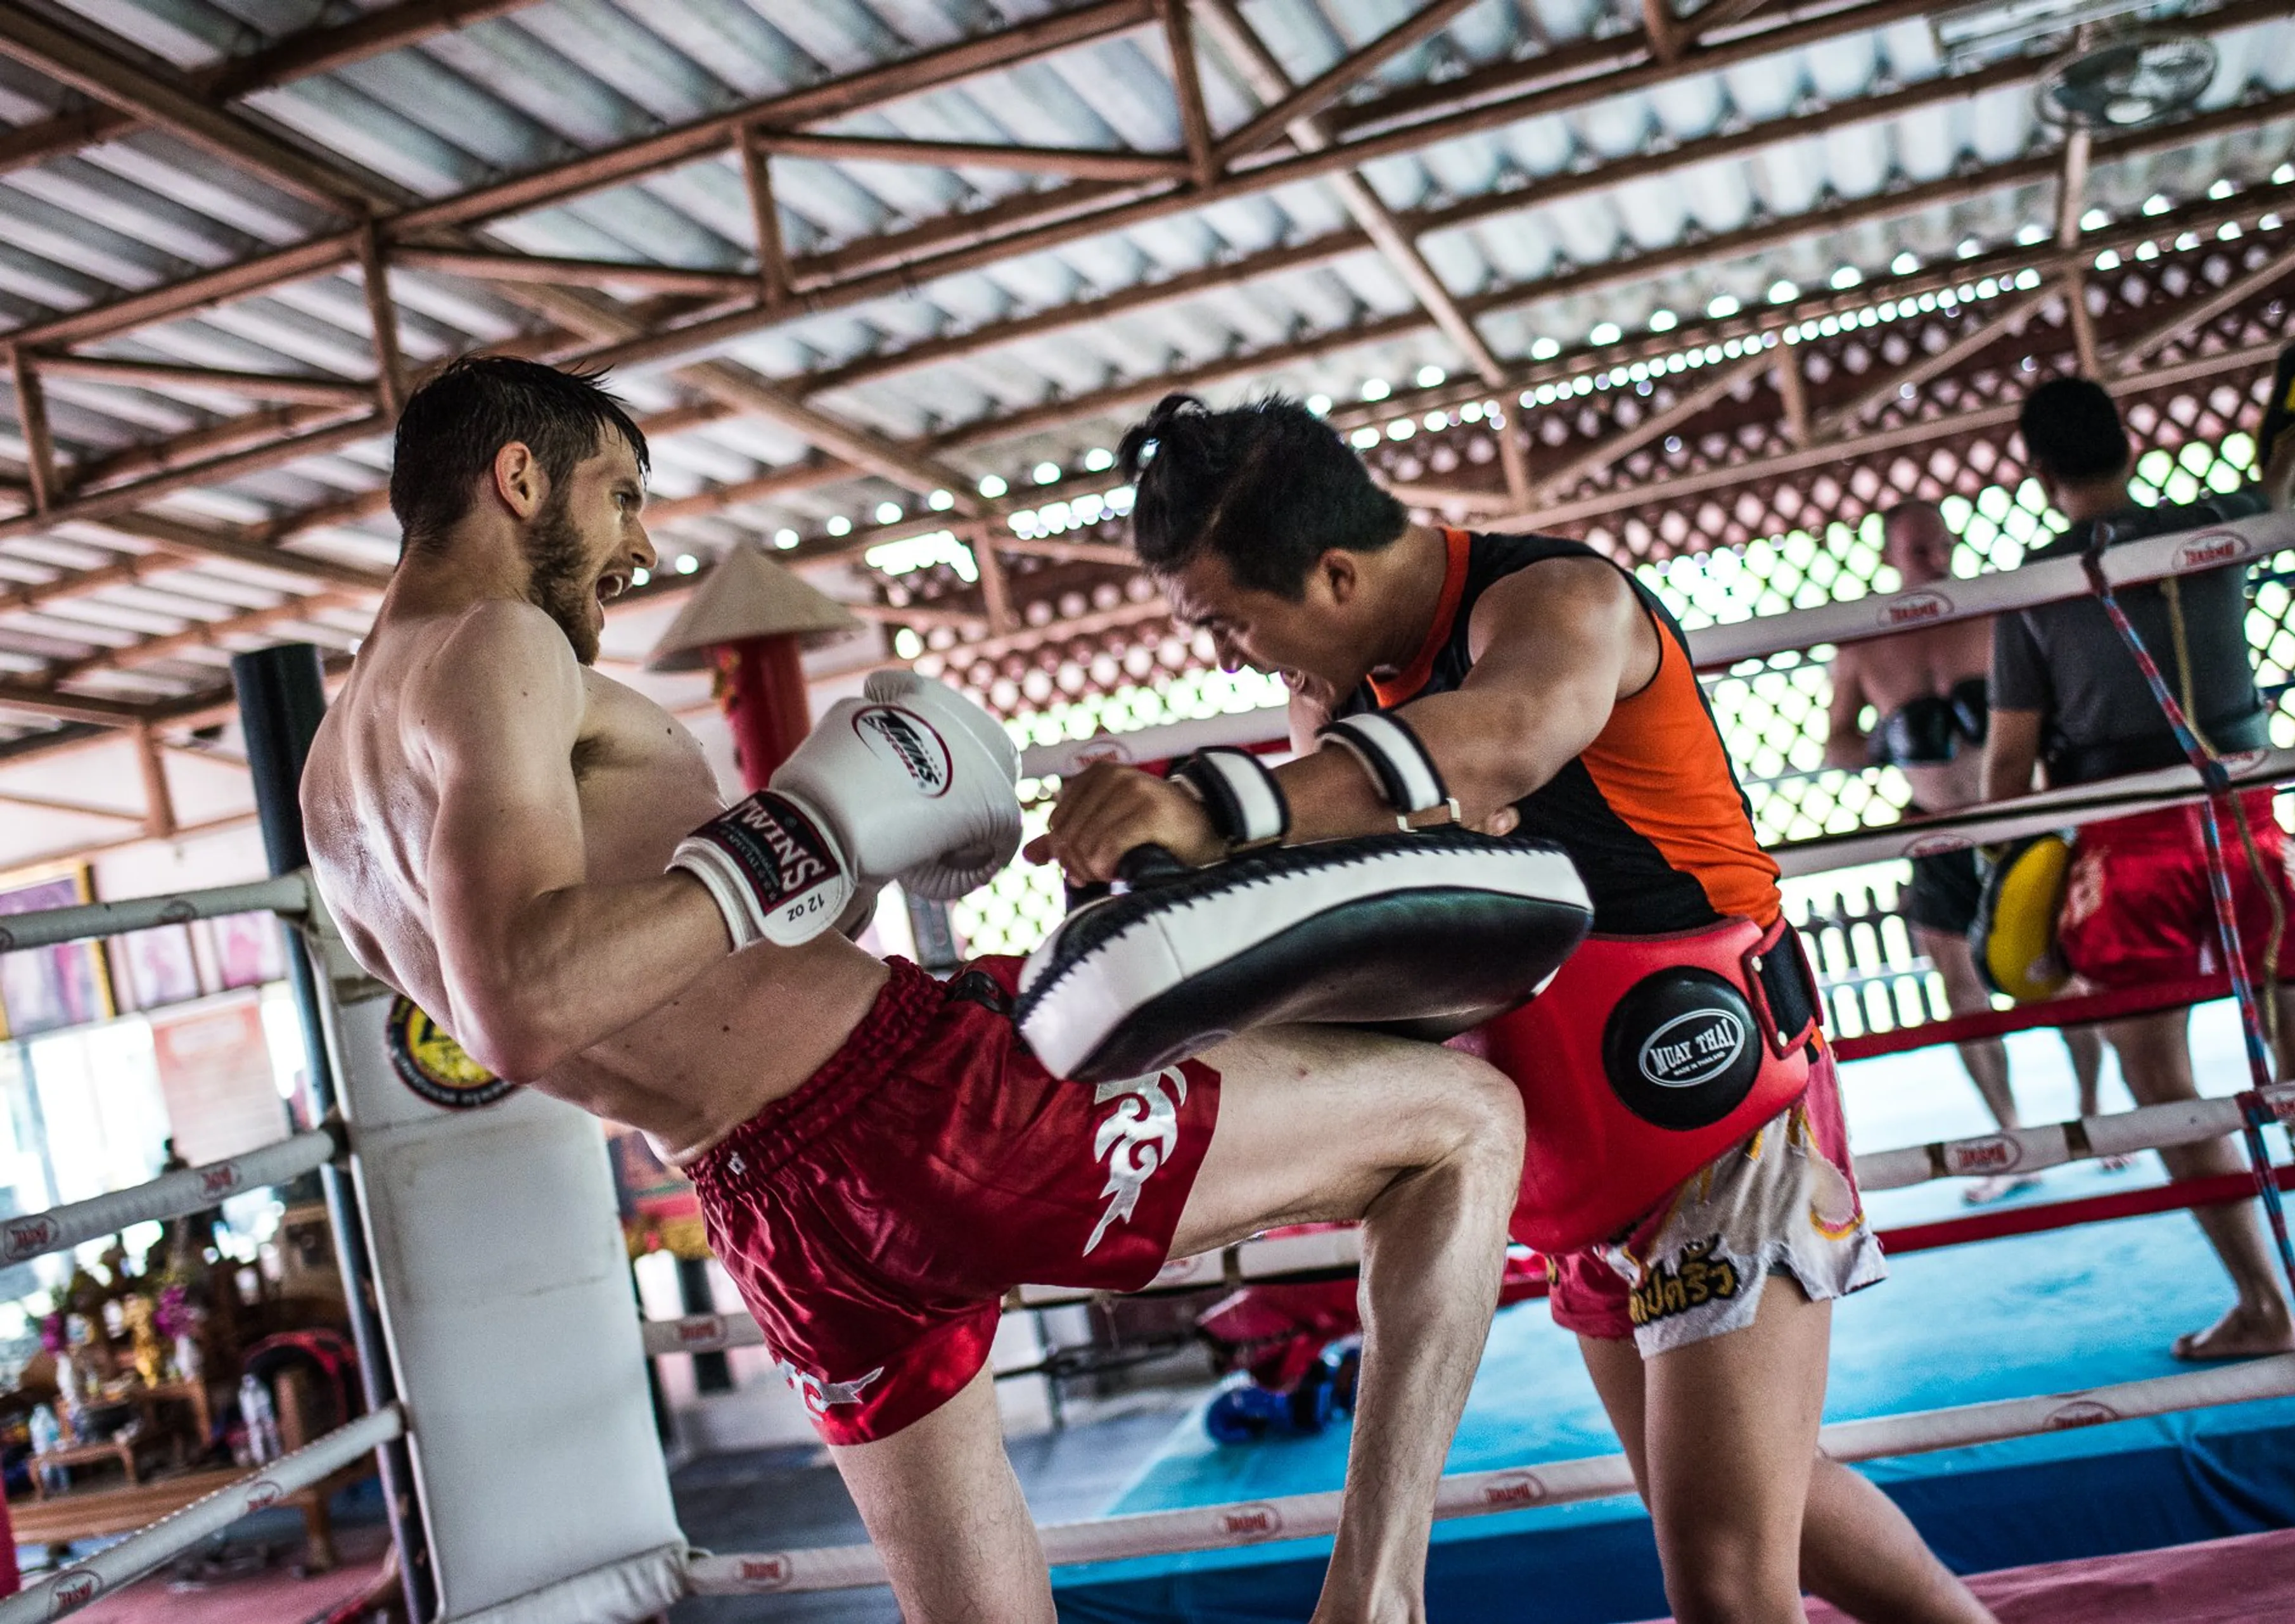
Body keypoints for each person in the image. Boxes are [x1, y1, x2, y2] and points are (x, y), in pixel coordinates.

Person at [301, 357, 1534, 1624]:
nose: (638, 542)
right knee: (1468, 1121)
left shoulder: (331, 788)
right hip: (917, 1112)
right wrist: (787, 838)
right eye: (620, 494)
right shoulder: (497, 643)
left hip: (772, 1208)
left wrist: (851, 853)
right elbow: (523, 1004)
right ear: (519, 479)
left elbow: (629, 977)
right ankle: (1376, 1601)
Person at [1035, 394, 1993, 1624]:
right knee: (1765, 1507)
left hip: (1721, 1120)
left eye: (1230, 623)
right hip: (1574, 1173)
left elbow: (1503, 736)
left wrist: (1214, 809)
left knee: (1725, 1583)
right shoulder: (1337, 709)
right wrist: (1137, 875)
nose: (1228, 658)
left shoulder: (1559, 602)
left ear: (1334, 572)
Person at [1983, 369, 2295, 1360]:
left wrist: (2014, 874)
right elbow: (2293, 476)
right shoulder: (2217, 523)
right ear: (2129, 445)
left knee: (2160, 1073)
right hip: (2246, 820)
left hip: (2130, 840)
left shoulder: (2035, 588)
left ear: (2041, 471)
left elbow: (2007, 769)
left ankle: (2264, 1302)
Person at [1826, 501, 2111, 1201]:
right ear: (1890, 553)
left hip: (2015, 817)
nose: (1933, 557)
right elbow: (1837, 748)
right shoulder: (1862, 645)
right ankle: (2012, 1139)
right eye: (1918, 548)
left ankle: (2096, 1118)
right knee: (1962, 992)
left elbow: (2058, 711)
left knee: (2059, 971)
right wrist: (1889, 741)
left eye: (1941, 544)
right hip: (1931, 827)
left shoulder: (1992, 614)